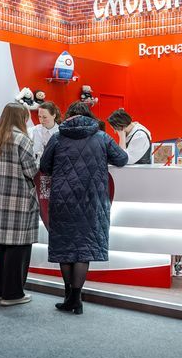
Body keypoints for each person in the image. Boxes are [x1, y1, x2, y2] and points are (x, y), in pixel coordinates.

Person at [40, 102, 128, 314]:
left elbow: (44, 166)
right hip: (92, 200)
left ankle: (68, 296)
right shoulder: (102, 137)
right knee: (84, 248)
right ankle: (76, 298)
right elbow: (122, 159)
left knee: (65, 248)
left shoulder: (57, 137)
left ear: (68, 116)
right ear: (90, 116)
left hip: (63, 199)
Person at [0, 103, 39, 306]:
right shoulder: (22, 139)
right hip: (18, 198)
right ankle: (13, 294)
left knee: (1, 243)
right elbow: (31, 171)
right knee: (18, 244)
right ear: (20, 118)